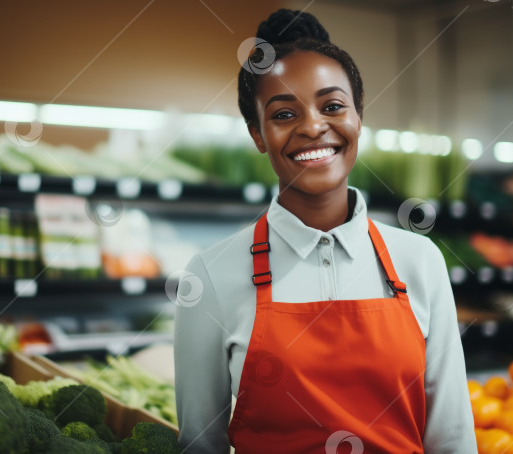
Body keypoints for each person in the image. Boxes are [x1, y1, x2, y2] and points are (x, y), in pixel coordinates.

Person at [174, 9, 477, 454]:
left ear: (358, 118)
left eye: (332, 106)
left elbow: (452, 438)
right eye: (283, 114)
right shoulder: (210, 274)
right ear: (258, 134)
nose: (313, 126)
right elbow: (200, 445)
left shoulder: (420, 260)